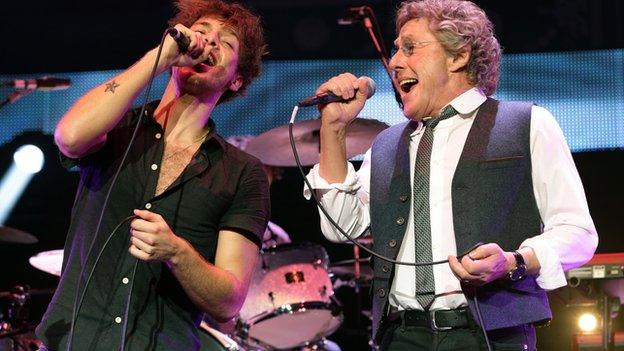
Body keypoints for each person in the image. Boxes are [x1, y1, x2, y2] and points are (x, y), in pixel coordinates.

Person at [303, 0, 598, 350]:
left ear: (458, 57)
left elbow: (577, 232)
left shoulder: (526, 124)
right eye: (396, 50)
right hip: (402, 335)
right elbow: (344, 225)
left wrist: (513, 262)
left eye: (410, 48)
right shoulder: (387, 144)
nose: (395, 63)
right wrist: (334, 130)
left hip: (488, 335)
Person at [35, 0, 270, 350]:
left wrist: (177, 252)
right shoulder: (117, 127)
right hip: (74, 339)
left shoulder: (241, 172)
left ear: (237, 79)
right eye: (201, 33)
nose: (208, 43)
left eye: (226, 42)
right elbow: (69, 137)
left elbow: (229, 302)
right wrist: (161, 57)